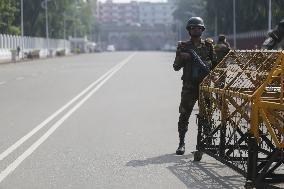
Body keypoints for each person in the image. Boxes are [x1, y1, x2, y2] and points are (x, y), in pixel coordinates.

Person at [173, 17, 217, 155]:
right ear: (189, 30)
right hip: (189, 87)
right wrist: (183, 57)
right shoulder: (183, 47)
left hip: (205, 86)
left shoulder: (208, 46)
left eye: (198, 28)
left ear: (202, 30)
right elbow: (175, 66)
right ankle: (181, 143)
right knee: (184, 114)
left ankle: (208, 142)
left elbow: (216, 65)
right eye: (193, 28)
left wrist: (215, 75)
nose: (196, 30)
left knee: (207, 115)